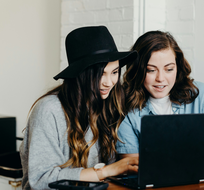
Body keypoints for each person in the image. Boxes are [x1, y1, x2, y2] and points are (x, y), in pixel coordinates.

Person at [20, 26, 139, 190]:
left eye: (115, 72)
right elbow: (41, 181)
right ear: (82, 73)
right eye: (101, 74)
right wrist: (105, 171)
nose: (109, 82)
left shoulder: (108, 104)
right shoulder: (49, 110)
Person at [116, 31, 204, 164]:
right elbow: (130, 163)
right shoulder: (125, 106)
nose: (160, 78)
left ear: (178, 67)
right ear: (138, 70)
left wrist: (169, 159)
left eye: (169, 69)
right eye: (151, 70)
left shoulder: (201, 94)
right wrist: (193, 154)